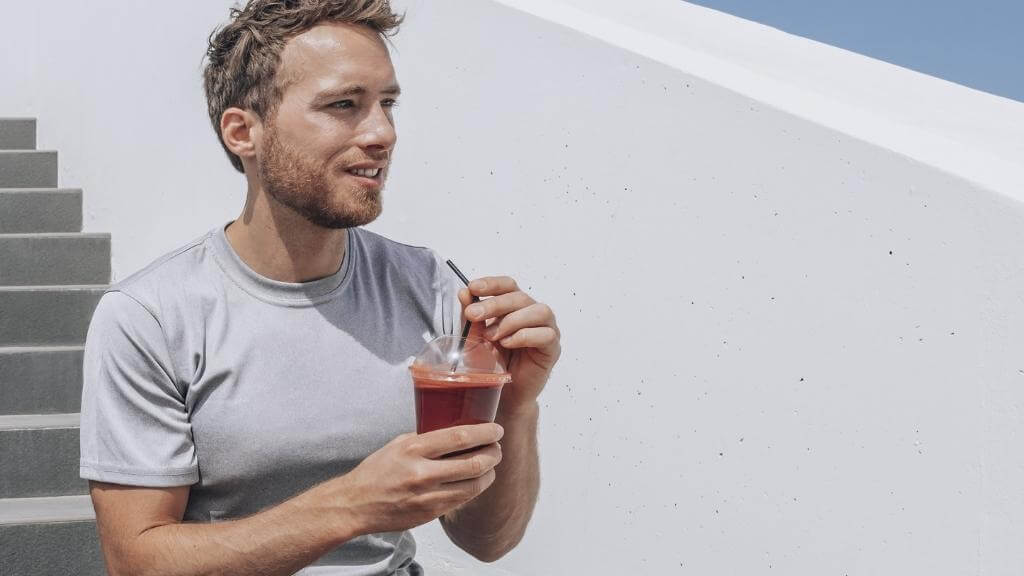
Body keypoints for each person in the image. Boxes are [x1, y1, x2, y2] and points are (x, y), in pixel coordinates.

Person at [77, 1, 562, 574]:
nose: (382, 133)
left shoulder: (430, 286)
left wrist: (516, 403)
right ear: (243, 132)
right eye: (343, 105)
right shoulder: (150, 317)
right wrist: (350, 506)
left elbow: (487, 541)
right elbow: (137, 562)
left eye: (387, 104)